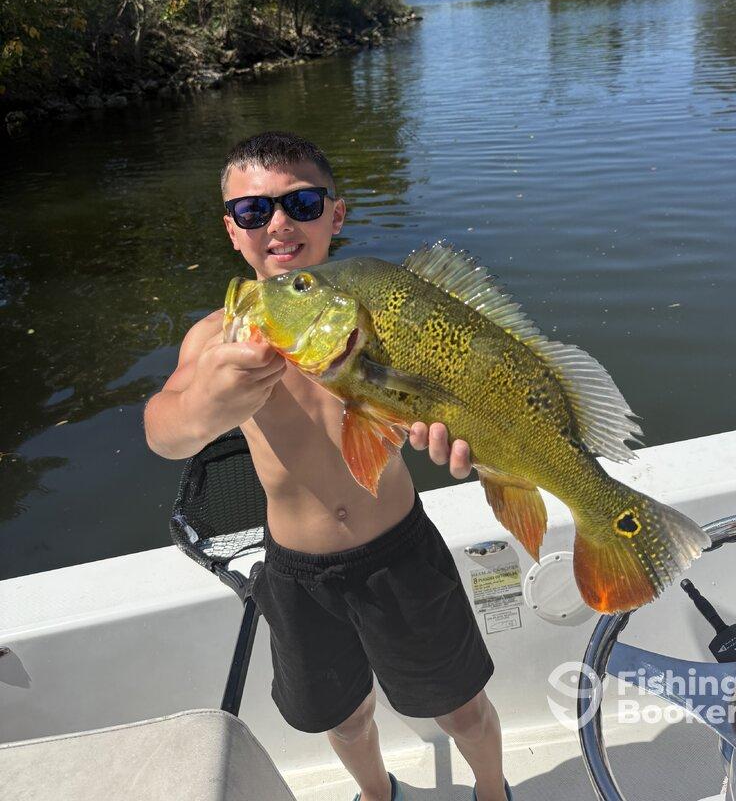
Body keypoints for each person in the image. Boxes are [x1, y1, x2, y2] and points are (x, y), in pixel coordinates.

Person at [144, 131, 512, 801]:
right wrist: (205, 403)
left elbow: (463, 387)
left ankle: (493, 792)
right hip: (297, 571)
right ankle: (377, 794)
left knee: (462, 708)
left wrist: (468, 438)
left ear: (335, 215)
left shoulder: (387, 314)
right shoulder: (216, 338)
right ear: (233, 231)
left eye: (301, 203)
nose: (278, 223)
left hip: (400, 551)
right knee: (344, 720)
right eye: (254, 211)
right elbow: (164, 433)